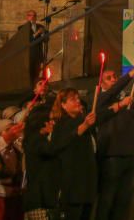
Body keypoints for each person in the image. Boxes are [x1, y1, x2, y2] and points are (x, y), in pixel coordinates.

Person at [95, 59, 134, 220]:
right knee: (107, 200)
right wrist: (133, 70)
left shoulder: (126, 99)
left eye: (115, 76)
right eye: (109, 78)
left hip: (128, 155)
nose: (114, 79)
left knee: (123, 202)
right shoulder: (101, 99)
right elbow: (114, 90)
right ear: (101, 83)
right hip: (112, 156)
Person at [48, 88, 99, 220]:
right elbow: (62, 143)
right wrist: (84, 126)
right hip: (72, 188)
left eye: (78, 98)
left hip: (87, 185)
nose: (78, 101)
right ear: (63, 105)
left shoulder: (81, 121)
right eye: (73, 99)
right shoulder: (61, 124)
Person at [23, 9, 46, 84]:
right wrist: (37, 33)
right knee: (28, 74)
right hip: (28, 55)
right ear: (27, 17)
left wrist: (42, 34)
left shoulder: (41, 26)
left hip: (37, 55)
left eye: (34, 16)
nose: (32, 17)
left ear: (36, 17)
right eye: (30, 15)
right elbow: (27, 41)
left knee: (36, 74)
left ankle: (35, 89)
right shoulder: (22, 28)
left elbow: (46, 40)